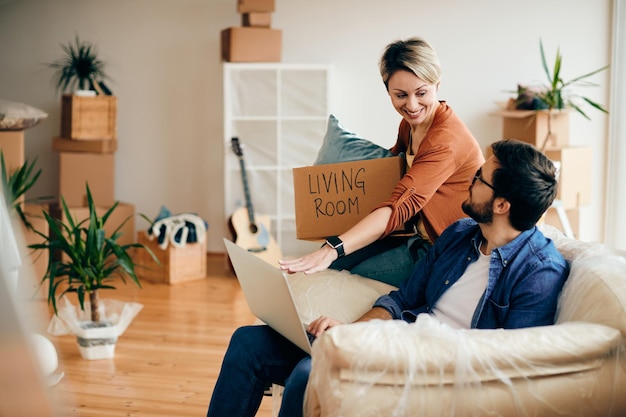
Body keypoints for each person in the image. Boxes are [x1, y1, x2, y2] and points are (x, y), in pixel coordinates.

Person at [206, 138, 569, 417]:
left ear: (502, 204)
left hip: (429, 372)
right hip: (391, 344)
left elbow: (511, 368)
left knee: (308, 373)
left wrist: (396, 352)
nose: (470, 182)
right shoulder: (461, 234)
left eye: (479, 179)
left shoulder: (538, 272)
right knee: (248, 343)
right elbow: (402, 301)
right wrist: (351, 332)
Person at [279, 37, 484, 287]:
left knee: (342, 276)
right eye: (400, 95)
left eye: (421, 93)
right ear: (388, 91)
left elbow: (401, 203)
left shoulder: (446, 141)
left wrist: (334, 247)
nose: (411, 105)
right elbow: (389, 172)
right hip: (411, 234)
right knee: (326, 265)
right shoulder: (410, 126)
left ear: (437, 85)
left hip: (442, 249)